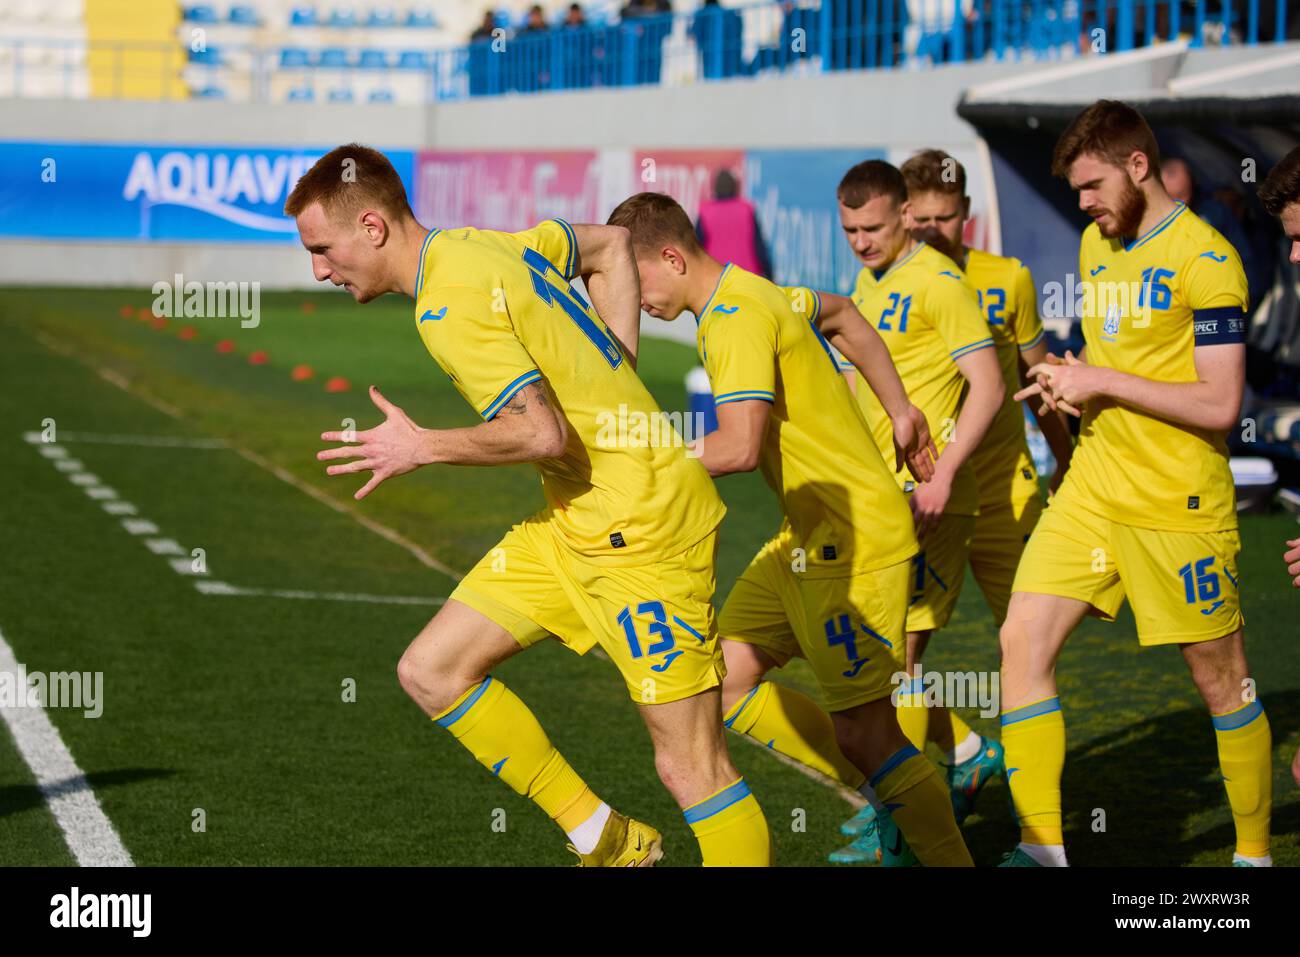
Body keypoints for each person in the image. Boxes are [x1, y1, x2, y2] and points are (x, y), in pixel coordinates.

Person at [284, 144, 771, 867]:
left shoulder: (447, 308)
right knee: (432, 670)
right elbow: (608, 247)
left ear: (373, 229)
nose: (320, 269)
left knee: (691, 765)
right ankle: (603, 836)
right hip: (576, 518)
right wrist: (614, 366)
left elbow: (540, 431)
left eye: (323, 248)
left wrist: (422, 446)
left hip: (642, 528)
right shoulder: (484, 244)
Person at [607, 190, 975, 867]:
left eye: (631, 282)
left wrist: (646, 469)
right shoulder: (760, 292)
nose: (630, 300)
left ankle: (939, 831)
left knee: (867, 734)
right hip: (806, 538)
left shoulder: (733, 319)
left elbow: (740, 445)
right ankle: (901, 797)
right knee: (727, 681)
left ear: (668, 256)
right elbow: (844, 313)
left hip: (856, 540)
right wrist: (900, 410)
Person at [1006, 100, 1270, 866]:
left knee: (1222, 683)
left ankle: (1253, 857)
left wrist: (1103, 380)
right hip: (1092, 486)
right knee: (1020, 640)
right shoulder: (1097, 243)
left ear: (1137, 165)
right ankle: (1043, 849)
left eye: (1090, 186)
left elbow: (1221, 403)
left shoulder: (1207, 260)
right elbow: (1109, 359)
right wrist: (1068, 381)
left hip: (1176, 501)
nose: (1082, 206)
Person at [835, 150, 1075, 842]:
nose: (938, 229)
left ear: (965, 213)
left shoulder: (1002, 281)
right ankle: (958, 768)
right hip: (925, 488)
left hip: (1002, 491)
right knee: (901, 655)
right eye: (926, 217)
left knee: (1027, 652)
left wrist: (1069, 464)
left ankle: (1037, 821)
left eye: (948, 217)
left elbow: (1036, 380)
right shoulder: (881, 276)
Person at [830, 159, 1006, 860]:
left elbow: (987, 387)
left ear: (906, 213)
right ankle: (962, 753)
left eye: (872, 227)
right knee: (875, 656)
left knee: (894, 659)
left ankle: (894, 828)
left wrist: (944, 477)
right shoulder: (867, 283)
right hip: (875, 499)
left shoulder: (939, 280)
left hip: (930, 502)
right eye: (849, 230)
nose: (861, 242)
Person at [695, 169, 771, 278]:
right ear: (735, 188)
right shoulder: (747, 210)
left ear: (715, 188)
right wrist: (769, 275)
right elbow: (759, 247)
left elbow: (696, 248)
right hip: (747, 277)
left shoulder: (706, 212)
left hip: (717, 277)